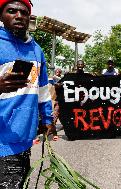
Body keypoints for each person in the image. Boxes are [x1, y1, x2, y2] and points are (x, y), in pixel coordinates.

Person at [0, 0, 53, 188]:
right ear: (1, 15)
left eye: (24, 12)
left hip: (24, 140)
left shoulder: (36, 50)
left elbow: (42, 89)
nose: (19, 15)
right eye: (11, 11)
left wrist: (47, 118)